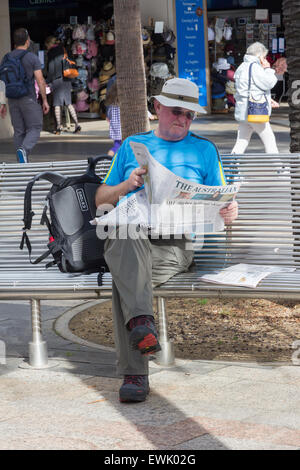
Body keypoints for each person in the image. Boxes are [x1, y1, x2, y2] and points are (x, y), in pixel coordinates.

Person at [95, 78, 238, 403]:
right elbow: (101, 198)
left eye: (190, 115)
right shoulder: (133, 145)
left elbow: (222, 198)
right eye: (177, 112)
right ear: (157, 107)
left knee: (126, 278)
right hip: (130, 235)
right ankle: (142, 326)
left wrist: (231, 210)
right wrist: (125, 186)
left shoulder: (204, 149)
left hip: (175, 245)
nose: (183, 120)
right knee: (124, 234)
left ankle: (135, 369)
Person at [1, 28, 50, 163]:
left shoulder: (6, 58)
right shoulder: (31, 57)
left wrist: (2, 103)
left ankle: (21, 162)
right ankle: (24, 149)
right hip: (28, 98)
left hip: (12, 99)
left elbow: (2, 82)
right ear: (27, 41)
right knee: (35, 127)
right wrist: (44, 100)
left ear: (14, 42)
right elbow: (40, 81)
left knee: (19, 131)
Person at [231, 42, 279, 154]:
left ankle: (233, 167)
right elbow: (269, 83)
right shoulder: (255, 67)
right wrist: (268, 69)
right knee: (270, 140)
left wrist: (269, 100)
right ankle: (280, 169)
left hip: (244, 110)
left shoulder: (242, 67)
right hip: (255, 110)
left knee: (241, 141)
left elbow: (249, 89)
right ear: (260, 56)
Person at [44, 36, 81, 135]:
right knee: (68, 103)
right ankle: (77, 125)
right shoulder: (64, 49)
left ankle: (59, 127)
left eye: (47, 45)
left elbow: (51, 69)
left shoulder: (51, 53)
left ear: (50, 44)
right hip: (67, 78)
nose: (47, 47)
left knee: (57, 104)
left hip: (57, 80)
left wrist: (47, 80)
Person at [105, 74, 122, 156]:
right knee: (117, 146)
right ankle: (108, 158)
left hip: (115, 128)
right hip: (122, 128)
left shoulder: (113, 104)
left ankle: (109, 159)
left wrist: (108, 116)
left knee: (117, 145)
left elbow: (109, 114)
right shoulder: (123, 105)